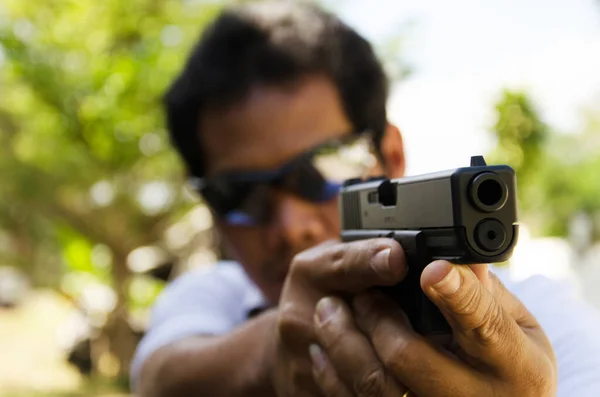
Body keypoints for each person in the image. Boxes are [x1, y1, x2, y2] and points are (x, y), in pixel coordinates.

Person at [131, 2, 600, 396]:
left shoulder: (546, 319)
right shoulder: (212, 299)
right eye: (238, 193)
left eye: (322, 170)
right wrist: (275, 352)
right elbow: (158, 376)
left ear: (390, 156)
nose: (292, 225)